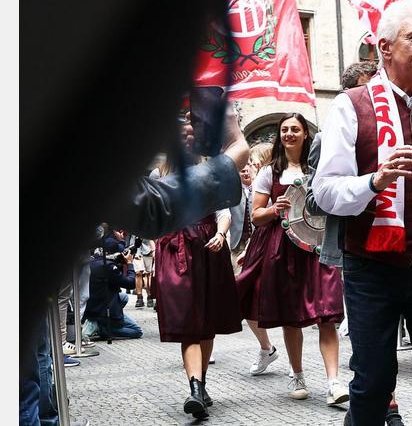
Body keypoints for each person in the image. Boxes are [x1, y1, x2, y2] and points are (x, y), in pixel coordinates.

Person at [313, 0, 412, 426]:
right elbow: (324, 191)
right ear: (384, 47)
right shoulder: (350, 106)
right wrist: (374, 182)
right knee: (374, 384)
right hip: (372, 269)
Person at [235, 113, 349, 406]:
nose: (289, 134)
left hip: (319, 249)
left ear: (304, 135)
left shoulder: (320, 168)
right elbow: (256, 217)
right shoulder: (269, 173)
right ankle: (297, 374)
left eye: (294, 129)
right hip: (283, 250)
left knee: (327, 315)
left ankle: (334, 382)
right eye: (284, 130)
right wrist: (275, 209)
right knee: (291, 317)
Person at [152, 148, 243, 419]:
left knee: (206, 324)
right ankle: (194, 389)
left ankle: (200, 385)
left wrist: (221, 234)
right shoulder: (160, 175)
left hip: (207, 248)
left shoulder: (211, 173)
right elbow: (152, 215)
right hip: (175, 251)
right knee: (189, 323)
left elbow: (224, 213)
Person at [83, 240, 144, 341]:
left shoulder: (93, 260)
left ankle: (98, 322)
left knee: (124, 297)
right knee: (137, 331)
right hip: (102, 308)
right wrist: (129, 264)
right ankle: (104, 328)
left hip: (91, 305)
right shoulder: (108, 267)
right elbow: (130, 283)